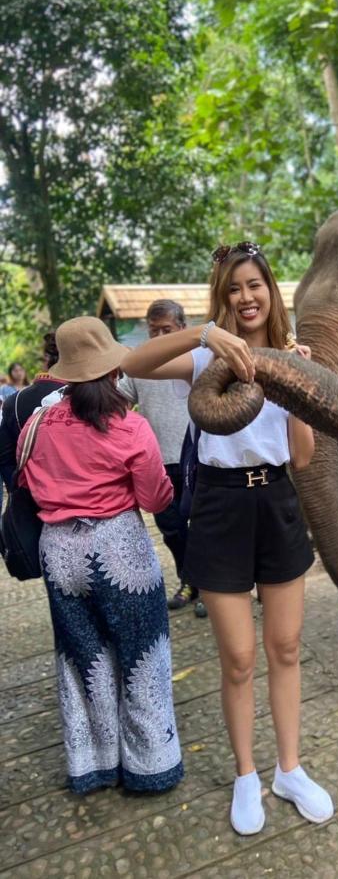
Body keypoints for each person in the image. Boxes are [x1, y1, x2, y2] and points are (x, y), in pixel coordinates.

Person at [121, 240, 333, 835]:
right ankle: (247, 775)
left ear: (271, 292)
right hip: (218, 505)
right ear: (223, 296)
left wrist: (299, 386)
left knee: (285, 648)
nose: (246, 297)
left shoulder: (294, 357)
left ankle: (289, 769)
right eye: (235, 287)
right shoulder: (207, 360)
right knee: (238, 658)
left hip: (278, 502)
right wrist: (202, 337)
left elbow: (303, 455)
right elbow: (128, 363)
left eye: (255, 285)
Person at [18, 316, 183, 794]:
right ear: (113, 368)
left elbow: (27, 484)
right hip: (118, 548)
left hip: (58, 554)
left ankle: (94, 763)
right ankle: (150, 765)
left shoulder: (36, 423)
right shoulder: (129, 426)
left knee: (82, 658)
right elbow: (155, 498)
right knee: (141, 652)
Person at [118, 300, 206, 617]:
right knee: (171, 528)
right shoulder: (142, 364)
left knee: (202, 527)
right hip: (155, 463)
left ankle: (208, 588)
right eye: (153, 330)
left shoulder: (197, 359)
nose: (158, 336)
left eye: (166, 330)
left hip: (196, 459)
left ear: (182, 328)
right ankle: (188, 581)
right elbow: (119, 404)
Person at [0, 332, 66, 489]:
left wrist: (18, 490)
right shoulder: (89, 396)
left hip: (30, 496)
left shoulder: (14, 401)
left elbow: (4, 458)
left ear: (46, 360)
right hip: (80, 500)